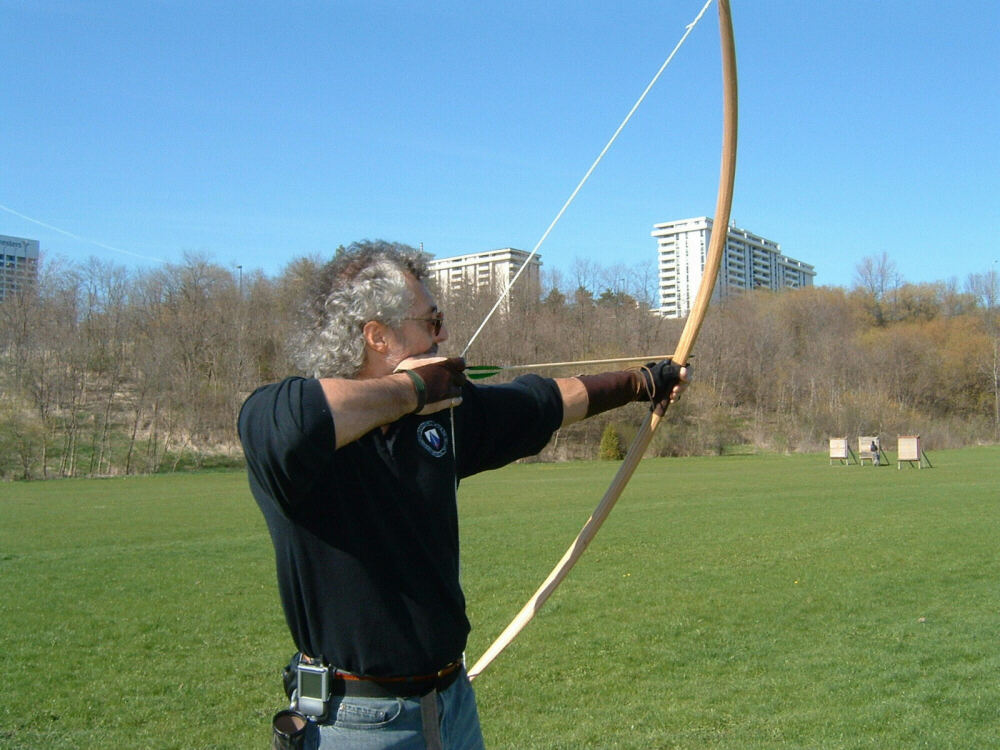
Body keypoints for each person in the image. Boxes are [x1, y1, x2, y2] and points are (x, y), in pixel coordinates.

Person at [238, 240, 688, 750]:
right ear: (377, 336)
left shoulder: (441, 422)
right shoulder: (280, 423)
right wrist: (416, 390)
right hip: (354, 721)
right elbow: (299, 421)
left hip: (450, 706)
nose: (445, 334)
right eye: (432, 322)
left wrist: (639, 382)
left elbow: (540, 403)